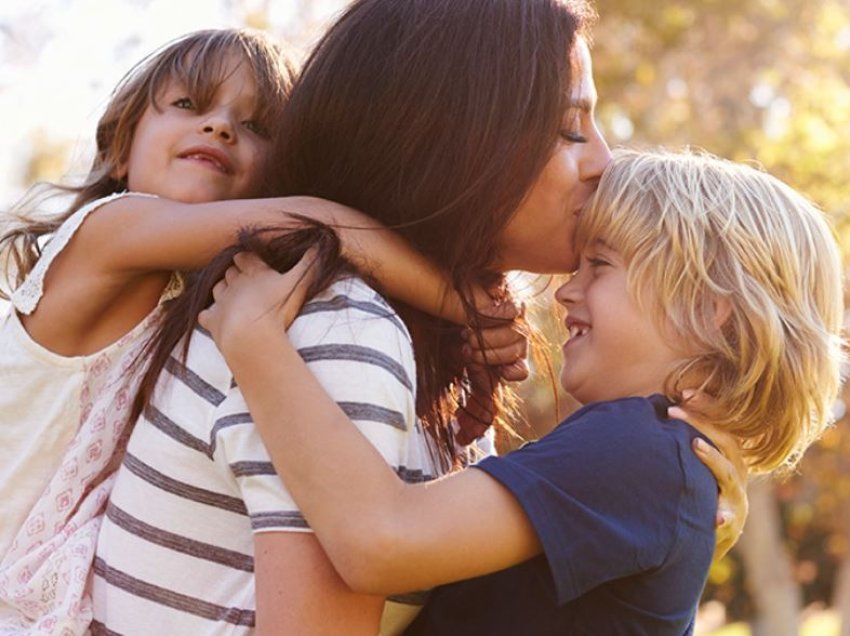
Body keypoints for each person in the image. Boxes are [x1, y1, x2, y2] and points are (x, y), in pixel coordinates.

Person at [93, 1, 747, 633]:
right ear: (455, 139)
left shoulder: (406, 342)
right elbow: (376, 547)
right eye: (570, 127)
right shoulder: (339, 331)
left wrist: (660, 505)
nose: (604, 162)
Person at [201, 147, 845, 635]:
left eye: (601, 265)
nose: (566, 290)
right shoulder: (660, 462)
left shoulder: (639, 448)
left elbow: (380, 541)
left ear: (710, 311)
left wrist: (255, 341)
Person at [0, 27, 488, 634]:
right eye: (189, 105)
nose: (220, 128)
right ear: (121, 150)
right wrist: (472, 309)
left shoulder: (192, 296)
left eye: (255, 126)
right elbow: (321, 222)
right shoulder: (106, 231)